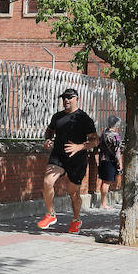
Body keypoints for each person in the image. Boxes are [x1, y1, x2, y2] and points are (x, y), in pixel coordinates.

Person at [38, 88, 98, 233]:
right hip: (58, 155)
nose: (66, 100)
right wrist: (48, 140)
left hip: (77, 160)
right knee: (47, 182)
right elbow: (50, 131)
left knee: (73, 193)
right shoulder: (57, 117)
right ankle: (50, 214)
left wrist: (79, 146)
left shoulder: (84, 119)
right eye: (64, 98)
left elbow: (95, 141)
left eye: (69, 97)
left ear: (77, 98)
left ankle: (76, 219)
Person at [96, 116, 123, 208]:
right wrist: (120, 162)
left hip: (102, 159)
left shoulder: (103, 133)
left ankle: (102, 202)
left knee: (104, 181)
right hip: (110, 160)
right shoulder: (115, 136)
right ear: (116, 124)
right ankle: (103, 203)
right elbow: (117, 151)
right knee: (107, 182)